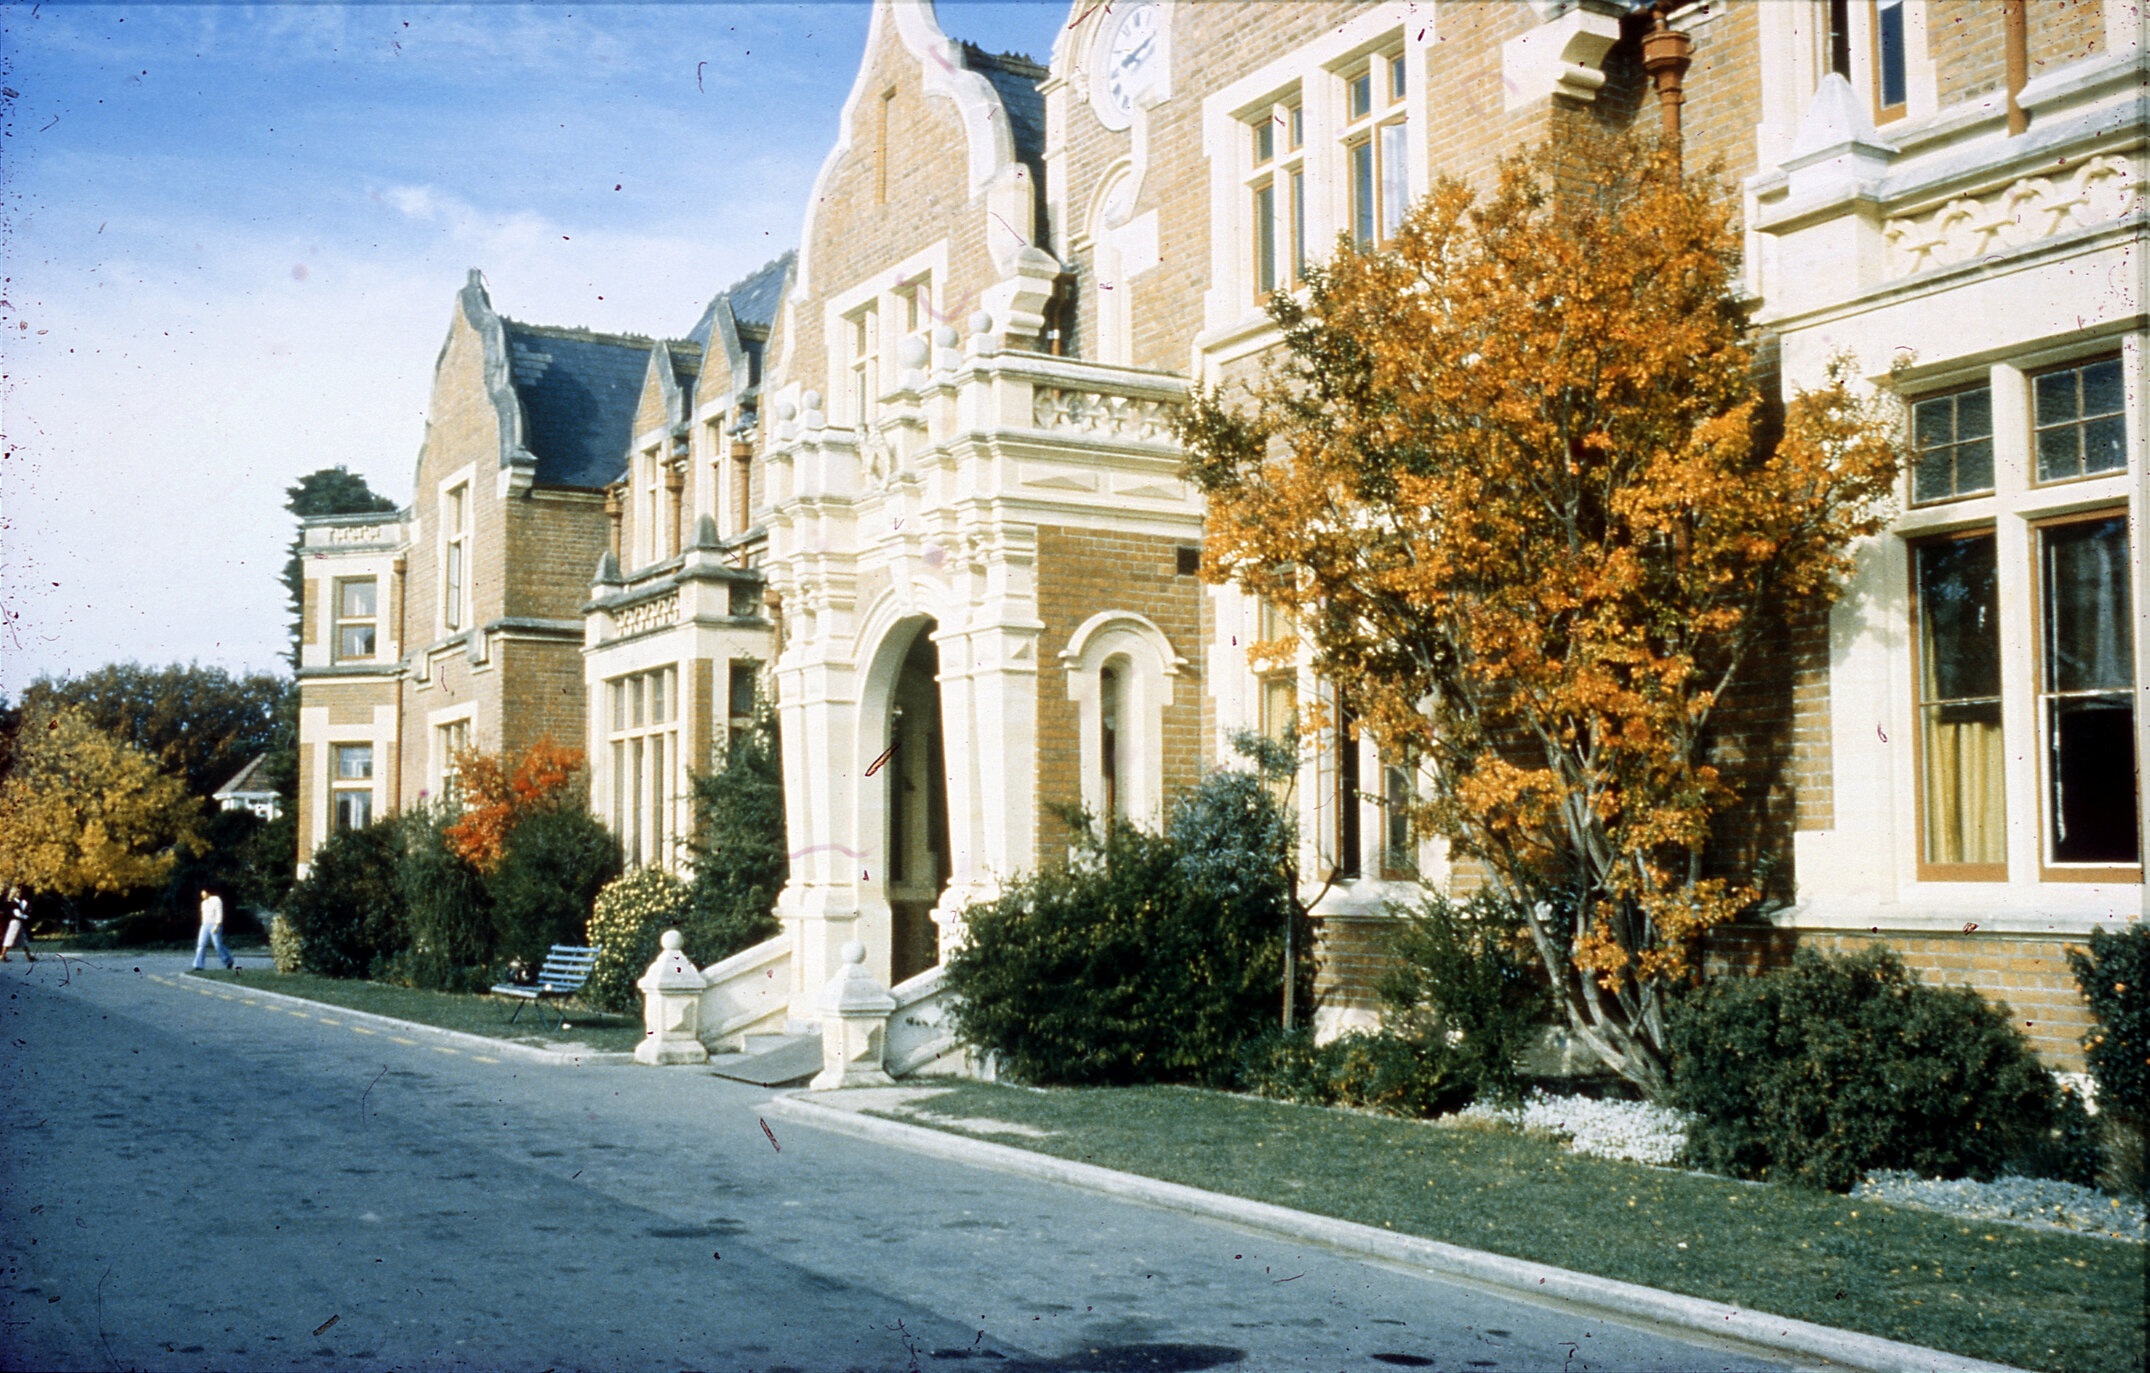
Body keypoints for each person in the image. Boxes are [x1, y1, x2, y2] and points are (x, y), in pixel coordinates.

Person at [193, 886, 236, 971]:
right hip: (205, 925)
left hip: (215, 924)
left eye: (203, 892)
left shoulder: (216, 900)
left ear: (207, 892)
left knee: (217, 945)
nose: (202, 894)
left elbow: (219, 913)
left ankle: (228, 960)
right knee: (201, 945)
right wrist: (203, 925)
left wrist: (217, 925)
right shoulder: (203, 903)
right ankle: (198, 965)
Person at [1, 886, 31, 963]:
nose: (20, 894)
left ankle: (29, 956)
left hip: (17, 923)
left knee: (23, 940)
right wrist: (25, 917)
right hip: (15, 923)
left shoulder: (16, 902)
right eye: (18, 892)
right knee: (9, 939)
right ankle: (3, 955)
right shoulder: (14, 903)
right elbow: (17, 914)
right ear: (15, 893)